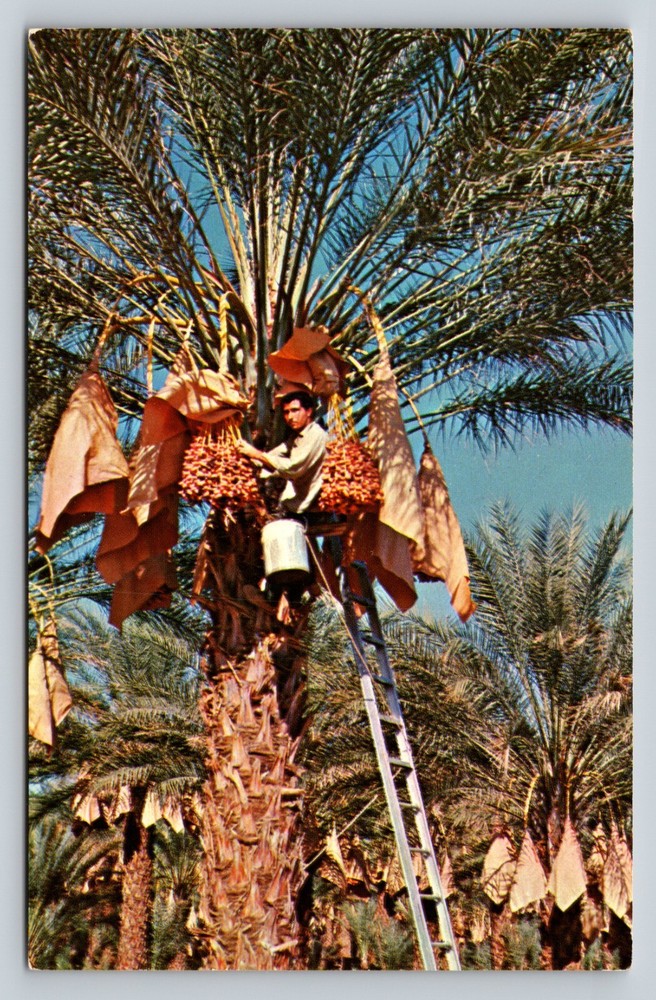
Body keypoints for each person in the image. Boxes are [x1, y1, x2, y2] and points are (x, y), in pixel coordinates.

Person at [236, 391, 327, 516]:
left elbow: (293, 468)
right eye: (286, 412)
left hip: (309, 508)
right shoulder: (297, 437)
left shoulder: (315, 435)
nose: (290, 417)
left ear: (309, 412)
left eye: (295, 410)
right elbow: (274, 455)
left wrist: (256, 454)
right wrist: (248, 458)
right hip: (296, 505)